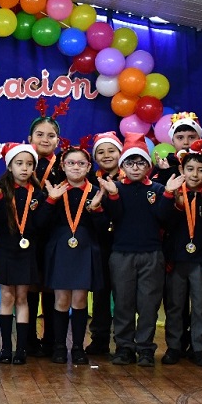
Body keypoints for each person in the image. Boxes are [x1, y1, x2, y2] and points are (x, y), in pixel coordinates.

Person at [98, 134, 171, 367]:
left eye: (141, 163)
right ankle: (124, 347)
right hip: (121, 254)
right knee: (123, 303)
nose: (135, 167)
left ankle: (146, 349)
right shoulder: (115, 188)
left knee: (149, 304)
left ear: (149, 166)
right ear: (122, 166)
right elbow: (115, 216)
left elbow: (164, 218)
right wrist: (112, 195)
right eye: (130, 163)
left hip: (151, 253)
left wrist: (169, 195)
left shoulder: (158, 189)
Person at [160, 140, 202, 367]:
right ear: (181, 170)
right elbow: (163, 224)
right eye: (190, 169)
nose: (195, 174)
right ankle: (174, 347)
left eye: (201, 170)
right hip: (177, 260)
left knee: (200, 306)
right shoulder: (172, 195)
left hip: (201, 261)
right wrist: (177, 206)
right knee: (175, 306)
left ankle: (200, 349)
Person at [44, 141, 106, 365]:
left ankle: (78, 347)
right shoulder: (55, 190)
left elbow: (104, 229)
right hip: (61, 247)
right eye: (71, 163)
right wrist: (51, 201)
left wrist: (97, 209)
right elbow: (41, 224)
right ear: (63, 165)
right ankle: (60, 346)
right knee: (61, 299)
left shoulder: (96, 192)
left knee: (79, 299)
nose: (76, 167)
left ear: (89, 167)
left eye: (81, 163)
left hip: (86, 247)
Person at [0, 142, 49, 365]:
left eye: (29, 164)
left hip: (28, 250)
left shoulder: (38, 194)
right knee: (7, 297)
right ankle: (6, 347)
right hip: (6, 248)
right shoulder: (1, 190)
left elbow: (41, 224)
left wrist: (51, 201)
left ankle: (21, 349)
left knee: (23, 297)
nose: (24, 168)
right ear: (10, 166)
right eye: (19, 163)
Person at [25, 99, 69, 356]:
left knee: (53, 286)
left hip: (56, 234)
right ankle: (29, 340)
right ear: (29, 137)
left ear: (58, 141)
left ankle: (53, 339)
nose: (45, 139)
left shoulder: (66, 164)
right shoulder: (20, 162)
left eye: (50, 135)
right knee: (29, 286)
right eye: (39, 134)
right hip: (28, 233)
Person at [86, 131, 123, 356]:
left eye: (111, 150)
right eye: (101, 152)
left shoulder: (130, 178)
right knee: (100, 293)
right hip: (98, 244)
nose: (106, 155)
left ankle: (123, 340)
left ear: (120, 153)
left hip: (122, 244)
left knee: (123, 295)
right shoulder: (89, 180)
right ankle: (99, 338)